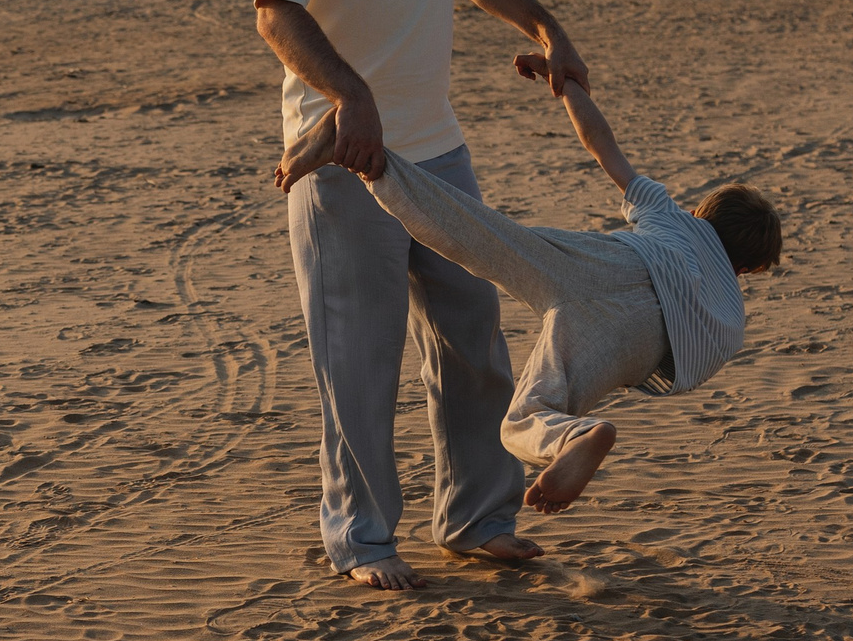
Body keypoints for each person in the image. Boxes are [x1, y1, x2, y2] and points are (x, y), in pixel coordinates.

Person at [255, 0, 591, 591]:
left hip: (435, 152)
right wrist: (347, 92)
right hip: (342, 160)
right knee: (359, 360)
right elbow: (276, 12)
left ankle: (477, 517)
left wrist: (545, 26)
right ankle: (361, 538)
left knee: (473, 337)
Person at [277, 59, 781, 513]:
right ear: (744, 270)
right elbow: (690, 365)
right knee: (525, 419)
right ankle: (577, 435)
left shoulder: (672, 217)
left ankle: (368, 160)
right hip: (642, 342)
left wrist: (567, 87)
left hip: (612, 262)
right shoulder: (730, 313)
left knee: (478, 232)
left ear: (702, 213)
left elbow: (602, 145)